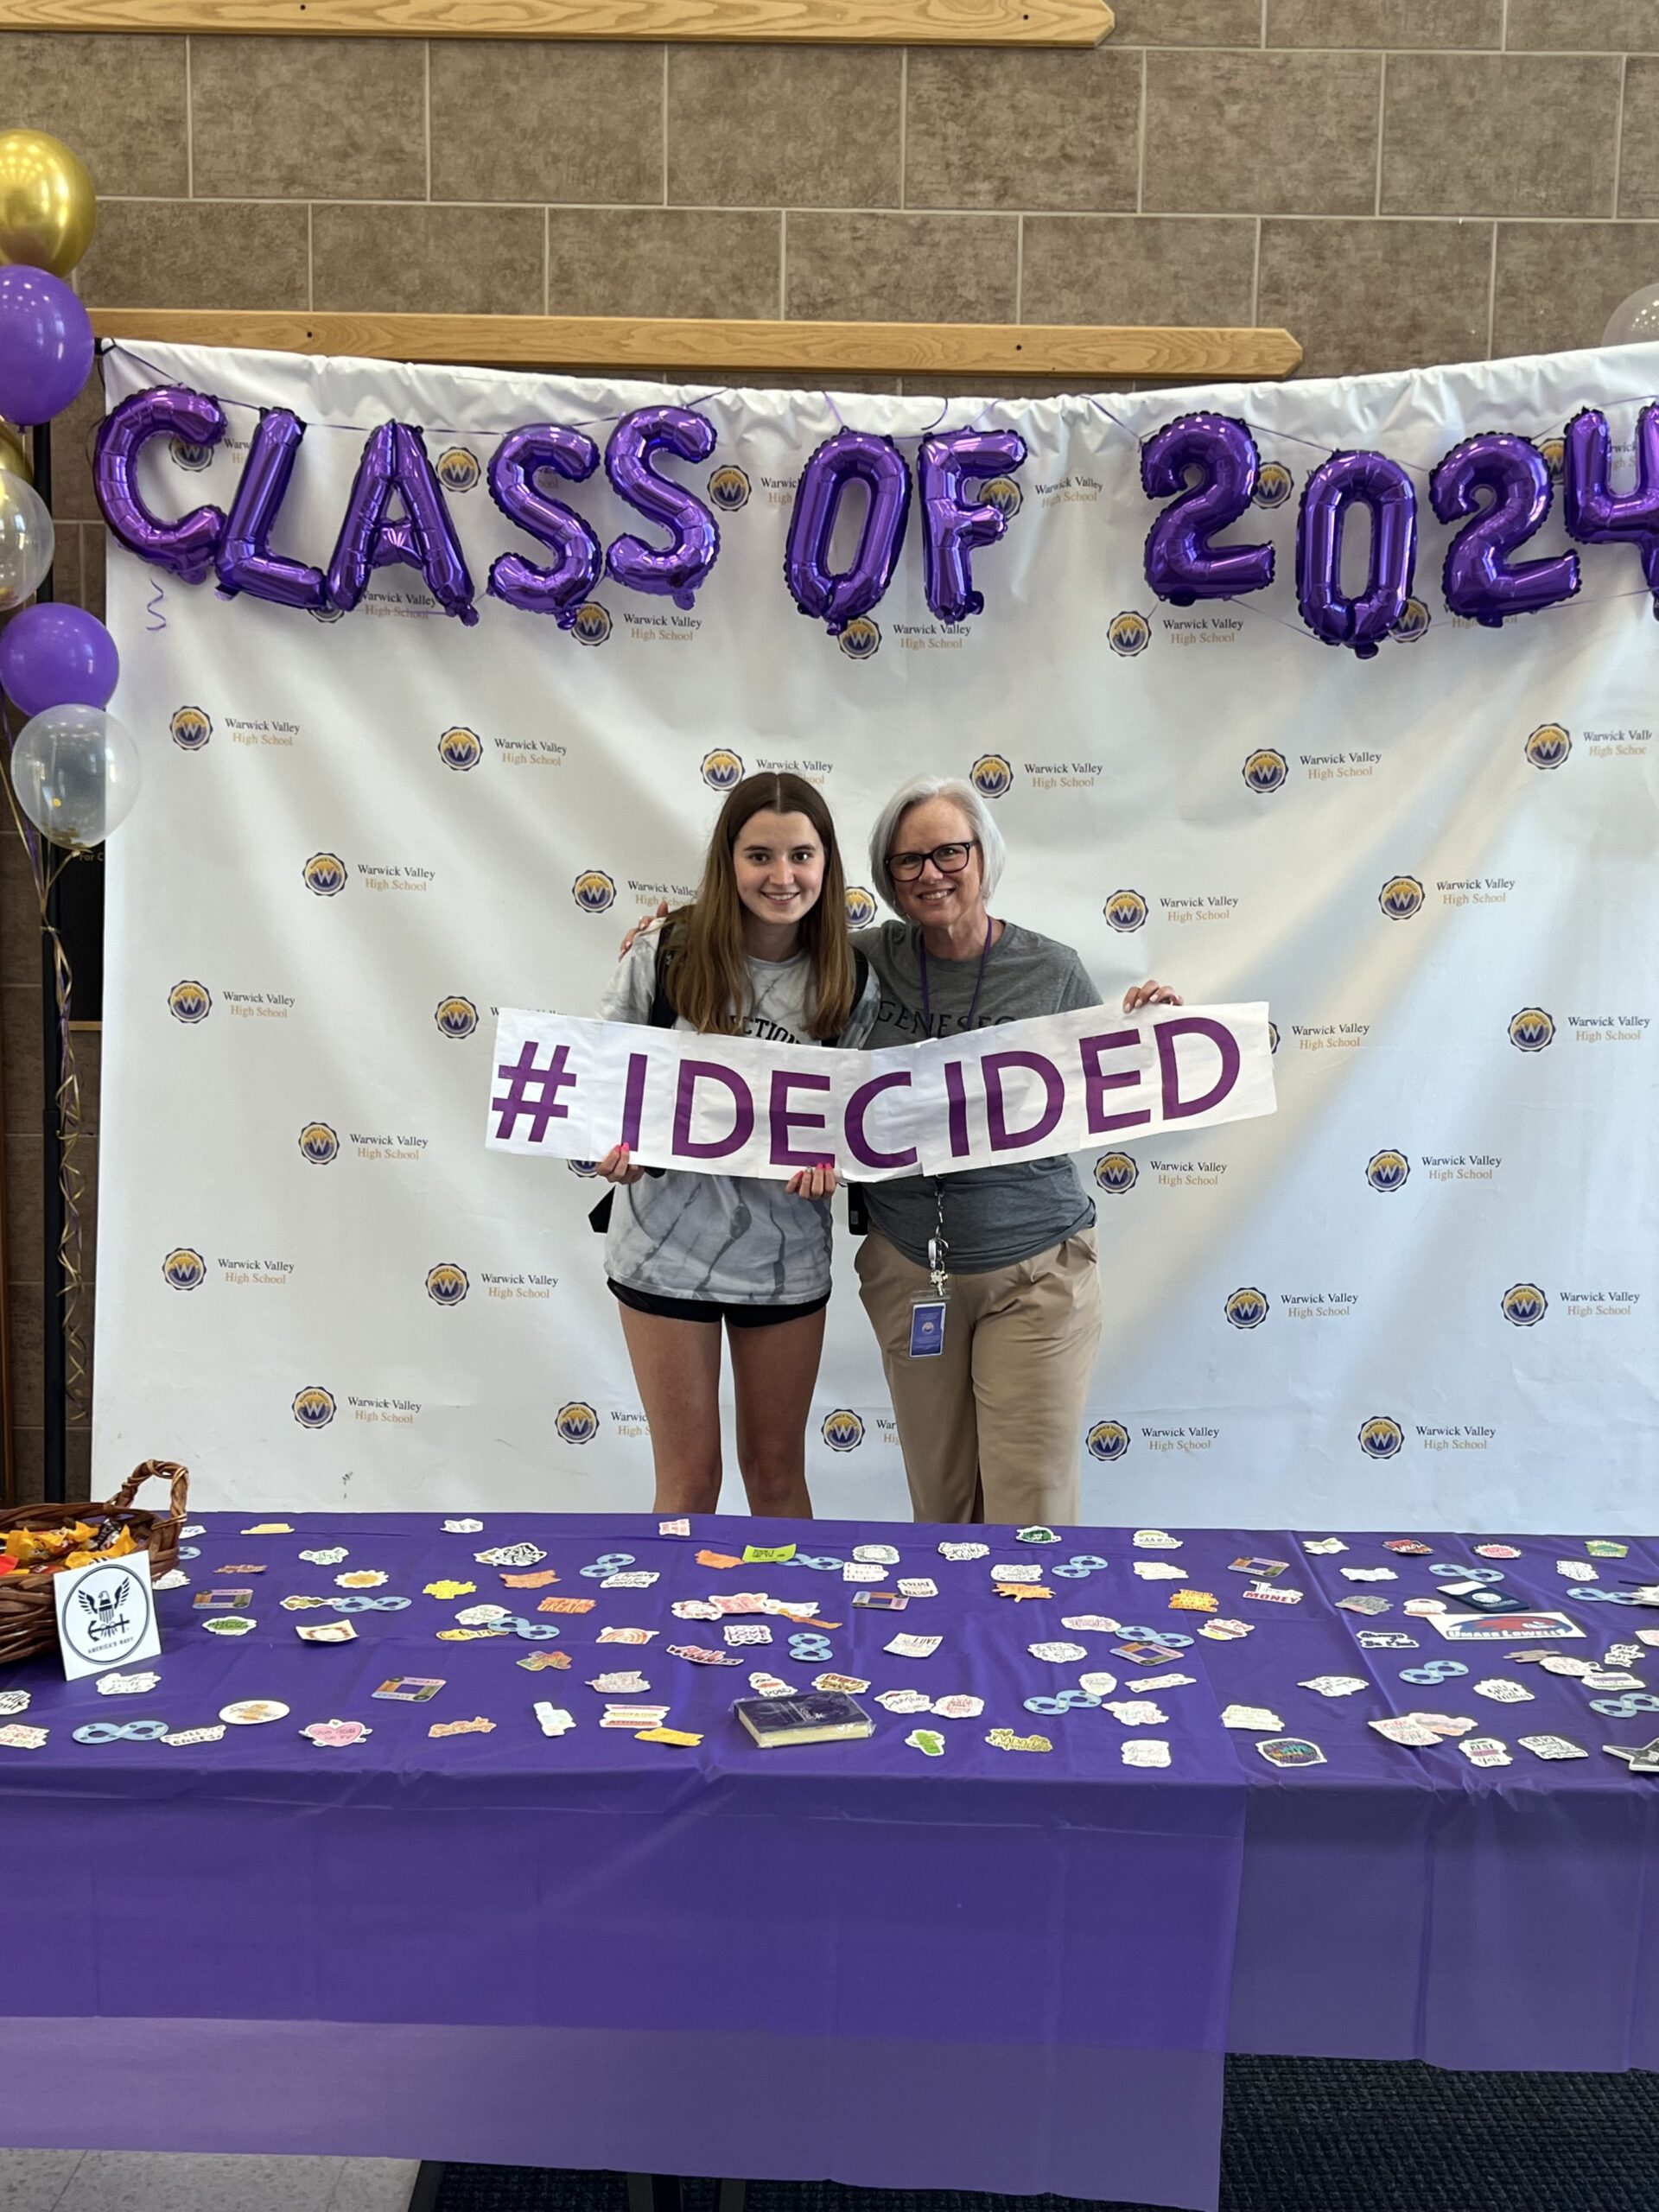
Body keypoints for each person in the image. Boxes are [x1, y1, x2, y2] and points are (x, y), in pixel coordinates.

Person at [855, 775, 1181, 1528]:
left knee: (1027, 1511)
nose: (930, 873)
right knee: (940, 1510)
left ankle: (1035, 1644)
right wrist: (664, 945)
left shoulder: (1050, 968)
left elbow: (1105, 1080)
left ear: (983, 857)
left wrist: (1154, 1036)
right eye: (908, 861)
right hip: (913, 1271)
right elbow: (762, 977)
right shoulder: (860, 961)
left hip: (1034, 1270)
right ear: (889, 876)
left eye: (949, 853)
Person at [592, 772, 875, 1518]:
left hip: (783, 1260)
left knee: (778, 1482)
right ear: (728, 861)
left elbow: (860, 1120)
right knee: (687, 1487)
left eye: (801, 856)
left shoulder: (851, 976)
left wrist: (836, 1166)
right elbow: (598, 1089)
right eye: (760, 856)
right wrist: (606, 1150)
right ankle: (670, 1633)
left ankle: (789, 1626)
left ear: (827, 864)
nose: (782, 877)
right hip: (662, 1248)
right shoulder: (666, 951)